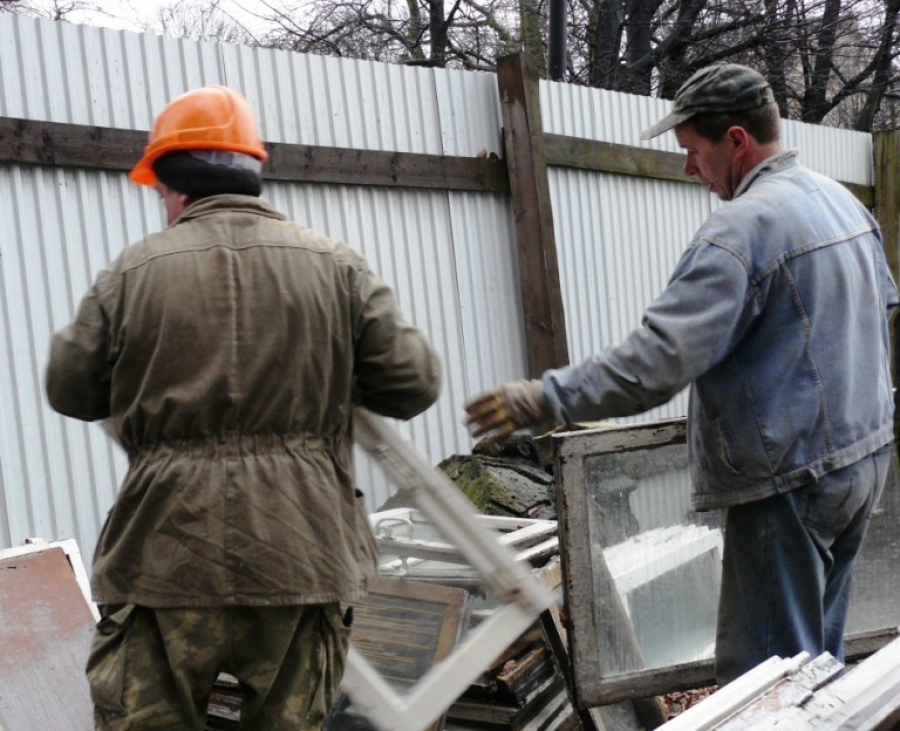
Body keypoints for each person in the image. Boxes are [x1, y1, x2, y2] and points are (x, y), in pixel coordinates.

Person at [465, 63, 896, 685]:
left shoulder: (741, 230)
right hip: (861, 464)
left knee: (767, 685)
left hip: (791, 484)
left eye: (693, 151)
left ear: (737, 141)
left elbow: (655, 363)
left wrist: (545, 396)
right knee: (816, 667)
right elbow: (880, 310)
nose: (689, 168)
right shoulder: (838, 202)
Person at [45, 85, 441, 730]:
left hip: (164, 556)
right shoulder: (336, 266)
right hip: (302, 547)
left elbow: (70, 388)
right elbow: (412, 383)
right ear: (253, 174)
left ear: (170, 185)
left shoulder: (131, 272)